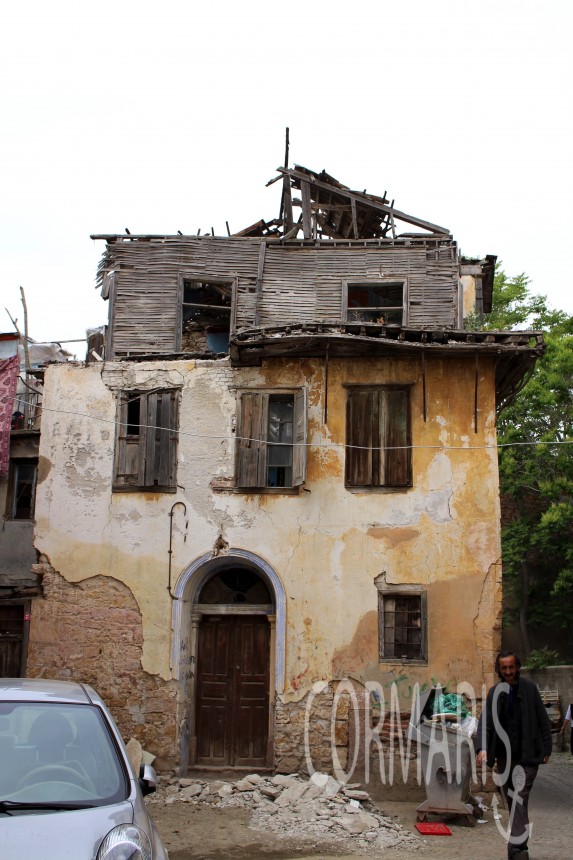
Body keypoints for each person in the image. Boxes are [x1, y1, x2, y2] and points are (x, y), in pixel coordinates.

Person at [476, 651, 552, 860]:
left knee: (519, 797)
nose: (508, 672)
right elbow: (486, 724)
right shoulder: (494, 693)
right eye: (504, 668)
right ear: (499, 670)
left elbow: (542, 720)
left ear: (517, 667)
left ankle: (518, 849)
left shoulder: (529, 689)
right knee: (514, 802)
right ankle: (517, 847)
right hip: (505, 759)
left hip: (528, 757)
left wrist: (547, 748)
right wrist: (482, 748)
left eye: (511, 667)